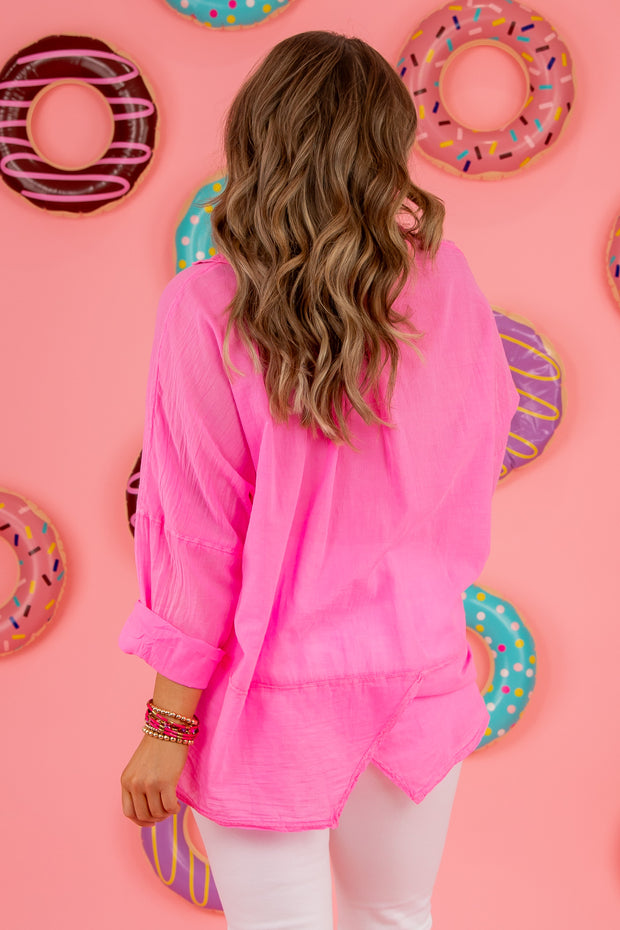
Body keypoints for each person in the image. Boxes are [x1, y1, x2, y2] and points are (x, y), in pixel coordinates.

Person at [119, 30, 519, 930]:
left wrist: (166, 725)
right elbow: (476, 453)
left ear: (257, 138)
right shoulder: (447, 283)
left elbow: (196, 534)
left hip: (272, 694)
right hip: (420, 675)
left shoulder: (205, 306)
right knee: (395, 914)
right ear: (386, 145)